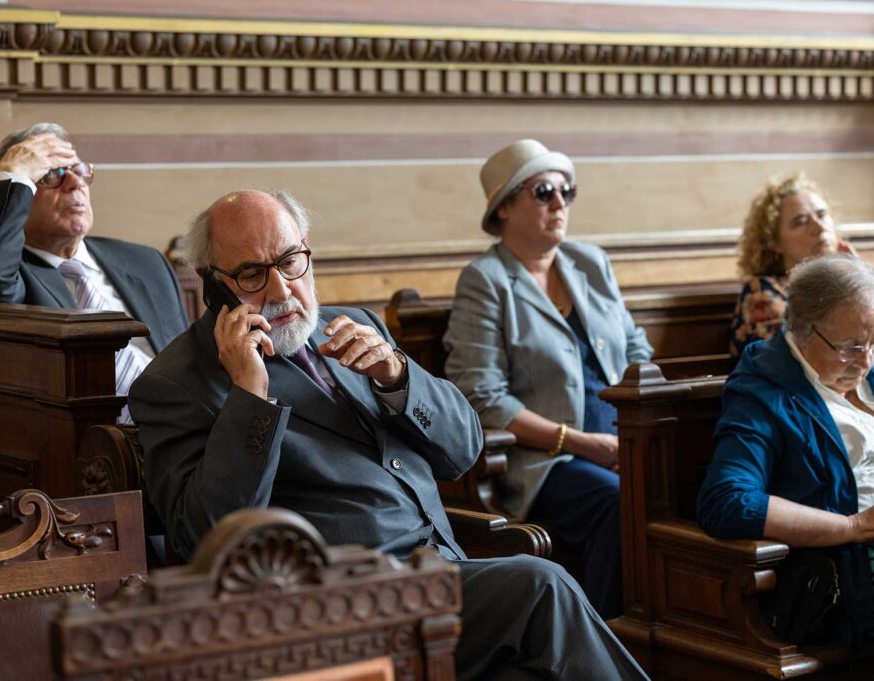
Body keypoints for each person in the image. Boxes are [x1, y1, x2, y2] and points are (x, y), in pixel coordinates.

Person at [129, 189, 649, 681]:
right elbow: (204, 538)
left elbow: (464, 451)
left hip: (443, 573)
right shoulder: (175, 383)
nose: (282, 290)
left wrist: (399, 378)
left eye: (290, 261)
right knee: (542, 585)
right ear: (213, 284)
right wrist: (249, 395)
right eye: (251, 274)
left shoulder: (351, 324)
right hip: (336, 611)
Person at [442, 139, 653, 619]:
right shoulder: (486, 280)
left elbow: (637, 350)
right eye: (543, 192)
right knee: (619, 502)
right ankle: (600, 639)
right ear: (503, 208)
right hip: (544, 461)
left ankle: (669, 632)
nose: (560, 203)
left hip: (625, 443)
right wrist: (584, 444)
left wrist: (642, 429)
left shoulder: (590, 262)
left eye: (566, 191)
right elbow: (482, 397)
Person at [699, 254, 874, 645]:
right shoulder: (764, 391)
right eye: (850, 347)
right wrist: (854, 526)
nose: (866, 362)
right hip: (851, 571)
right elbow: (728, 501)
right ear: (804, 329)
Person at [0, 122, 189, 421]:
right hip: (90, 439)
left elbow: (193, 363)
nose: (75, 183)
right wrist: (11, 174)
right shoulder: (0, 268)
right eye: (52, 174)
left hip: (188, 428)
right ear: (20, 193)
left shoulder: (144, 261)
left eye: (79, 170)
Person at [730, 173, 874, 359]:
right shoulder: (762, 293)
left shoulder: (842, 286)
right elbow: (805, 359)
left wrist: (861, 281)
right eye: (801, 221)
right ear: (774, 242)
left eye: (822, 215)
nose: (819, 227)